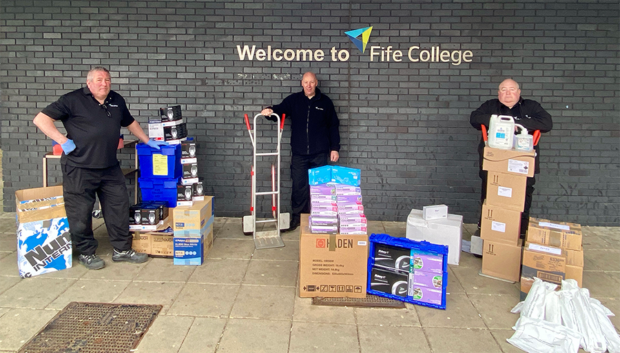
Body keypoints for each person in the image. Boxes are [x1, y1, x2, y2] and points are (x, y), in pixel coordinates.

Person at [33, 67, 164, 270]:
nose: (104, 83)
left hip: (109, 167)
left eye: (107, 80)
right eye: (99, 80)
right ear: (89, 83)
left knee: (118, 207)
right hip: (79, 167)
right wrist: (62, 140)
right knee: (80, 213)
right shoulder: (72, 100)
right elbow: (41, 119)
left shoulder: (116, 100)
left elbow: (130, 122)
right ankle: (86, 252)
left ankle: (122, 250)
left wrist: (147, 140)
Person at [470, 78, 553, 236]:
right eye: (503, 89)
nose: (507, 93)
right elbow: (474, 118)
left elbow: (547, 123)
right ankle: (486, 229)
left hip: (522, 164)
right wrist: (500, 123)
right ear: (498, 93)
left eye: (511, 89)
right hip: (494, 163)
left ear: (518, 92)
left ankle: (520, 232)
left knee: (524, 195)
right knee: (490, 194)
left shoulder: (531, 106)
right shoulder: (490, 106)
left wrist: (518, 123)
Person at [260, 72, 340, 231]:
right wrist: (269, 111)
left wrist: (334, 148)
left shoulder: (325, 102)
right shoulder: (294, 100)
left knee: (320, 187)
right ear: (301, 83)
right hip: (299, 153)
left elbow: (333, 126)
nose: (309, 85)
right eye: (306, 82)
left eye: (311, 82)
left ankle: (319, 218)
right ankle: (297, 218)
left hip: (319, 153)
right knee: (299, 186)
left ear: (316, 83)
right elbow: (279, 111)